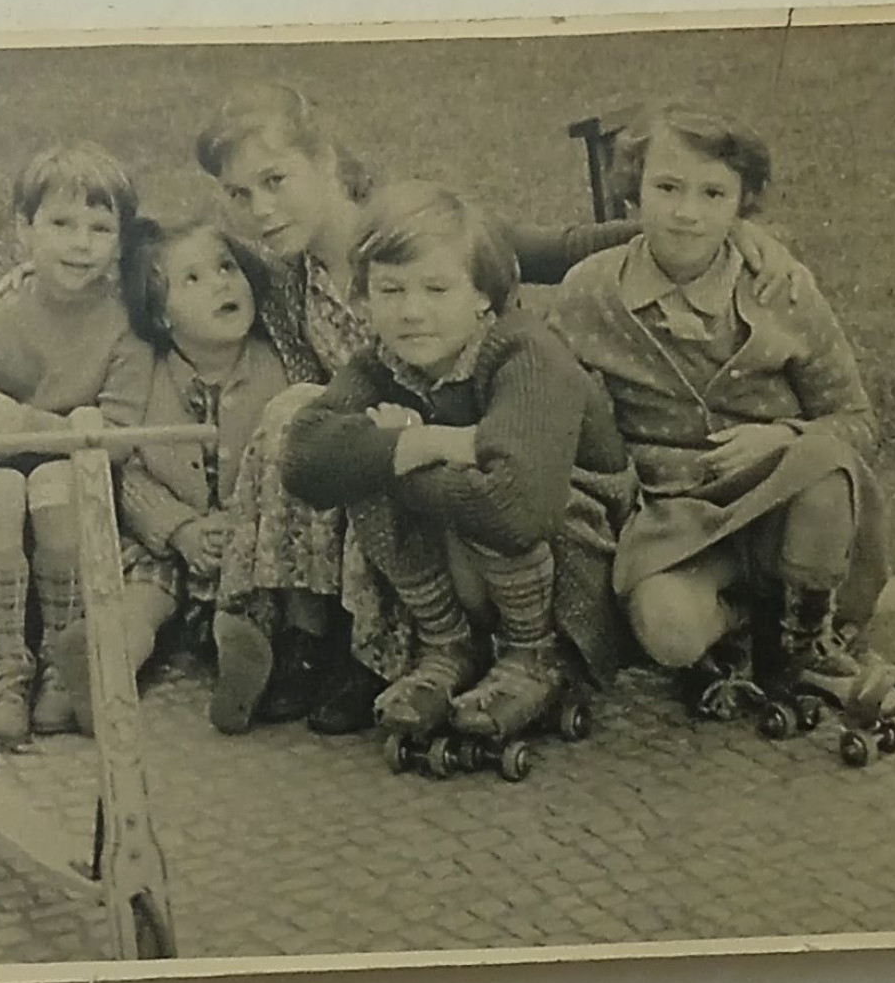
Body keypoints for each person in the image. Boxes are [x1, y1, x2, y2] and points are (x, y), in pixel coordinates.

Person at [193, 82, 814, 735]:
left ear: (324, 161)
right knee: (302, 416)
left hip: (494, 450)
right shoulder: (283, 278)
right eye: (239, 194)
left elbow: (569, 245)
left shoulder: (437, 233)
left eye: (274, 181)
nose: (260, 209)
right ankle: (304, 633)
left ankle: (384, 649)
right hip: (394, 457)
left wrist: (724, 230)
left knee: (315, 419)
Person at [549, 102, 895, 717]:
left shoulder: (780, 289)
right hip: (674, 520)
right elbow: (556, 409)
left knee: (821, 460)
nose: (687, 213)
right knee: (667, 632)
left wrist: (784, 438)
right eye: (667, 188)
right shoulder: (591, 293)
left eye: (713, 193)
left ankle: (806, 645)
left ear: (743, 204)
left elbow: (856, 422)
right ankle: (748, 627)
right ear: (633, 188)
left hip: (781, 503)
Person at [281, 181, 635, 744]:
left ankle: (532, 657)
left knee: (395, 463)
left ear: (482, 296)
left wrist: (400, 457)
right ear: (365, 299)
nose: (412, 311)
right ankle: (447, 646)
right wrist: (428, 444)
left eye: (437, 289)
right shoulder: (384, 361)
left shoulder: (524, 352)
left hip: (573, 556)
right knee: (371, 461)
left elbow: (516, 510)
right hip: (472, 550)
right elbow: (302, 458)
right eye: (390, 290)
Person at [0, 142, 148, 745]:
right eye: (61, 224)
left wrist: (29, 425)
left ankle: (62, 660)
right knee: (4, 485)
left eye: (100, 228)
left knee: (57, 478)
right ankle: (8, 671)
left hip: (74, 504)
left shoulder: (123, 326)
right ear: (24, 231)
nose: (80, 243)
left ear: (119, 241)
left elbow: (115, 436)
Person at [53, 220, 289, 735]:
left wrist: (239, 525)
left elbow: (286, 462)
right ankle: (105, 668)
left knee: (254, 596)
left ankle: (241, 669)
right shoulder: (150, 377)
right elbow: (132, 474)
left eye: (227, 268)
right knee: (142, 597)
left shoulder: (275, 368)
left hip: (245, 539)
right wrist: (178, 528)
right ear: (163, 316)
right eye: (194, 279)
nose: (222, 284)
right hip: (167, 545)